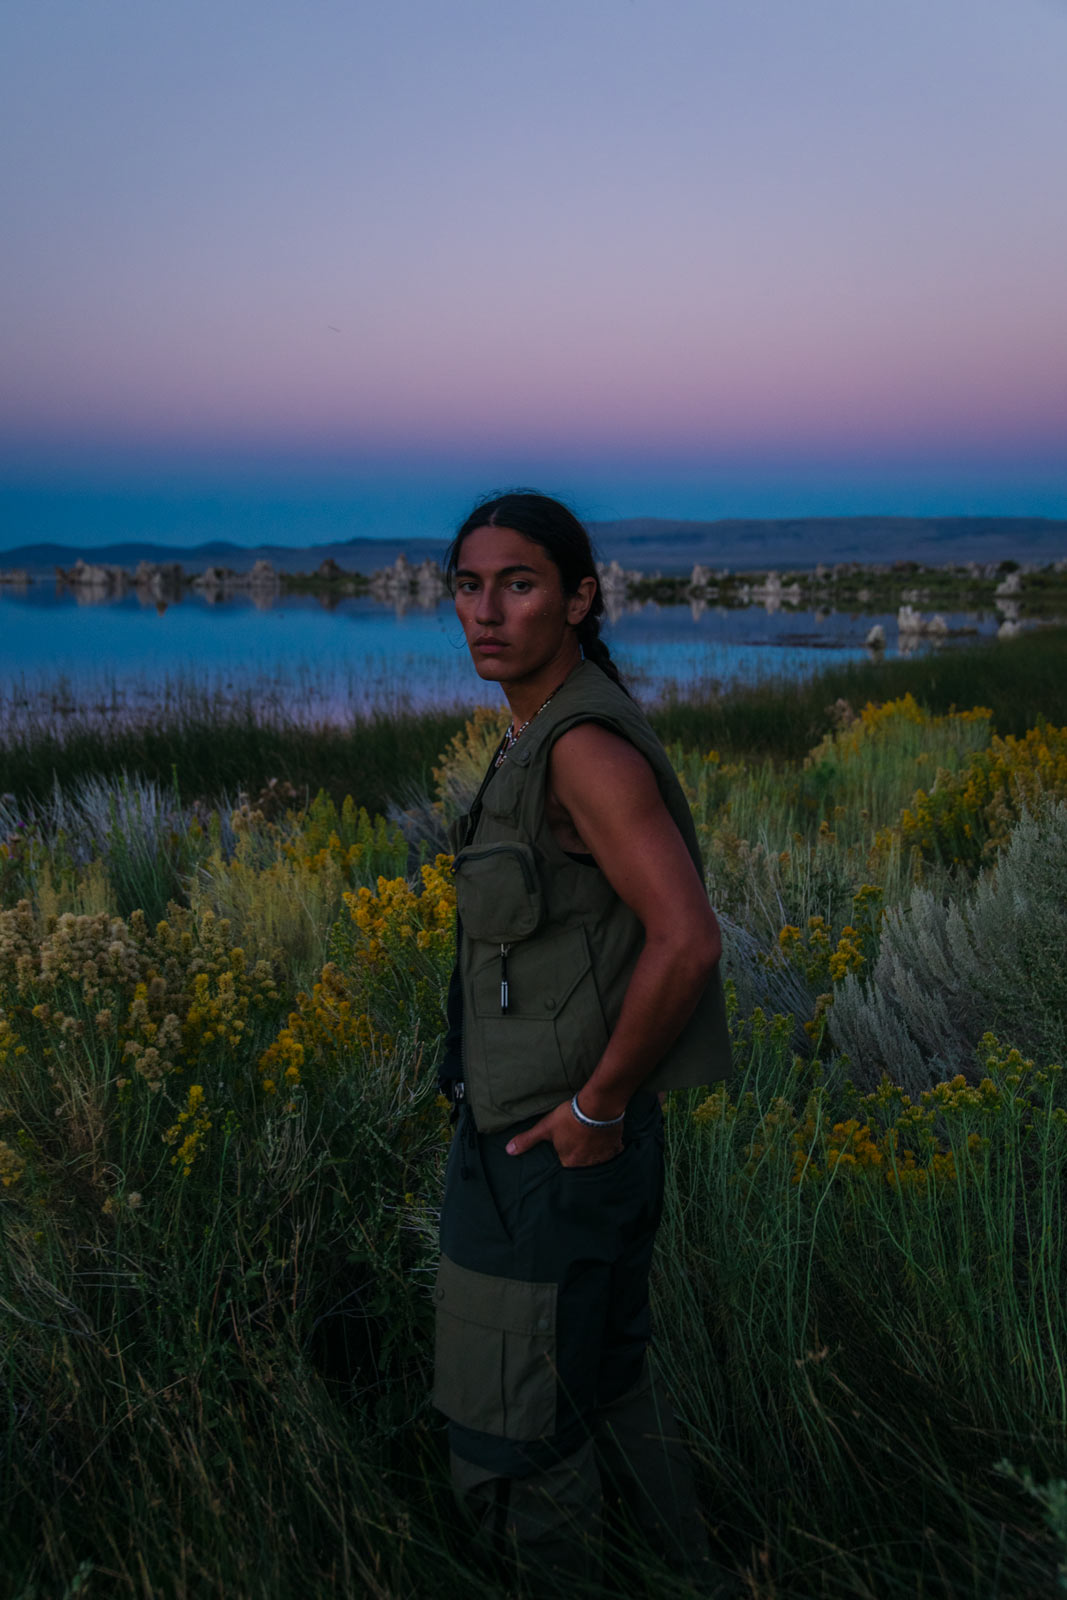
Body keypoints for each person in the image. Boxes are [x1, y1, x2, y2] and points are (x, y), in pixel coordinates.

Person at [433, 491, 732, 1592]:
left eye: (518, 583)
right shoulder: (539, 729)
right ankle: (684, 1576)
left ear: (578, 596)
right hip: (555, 1146)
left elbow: (686, 939)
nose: (486, 611)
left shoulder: (580, 749)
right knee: (602, 1390)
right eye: (468, 585)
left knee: (513, 1431)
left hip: (549, 1153)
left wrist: (595, 1108)